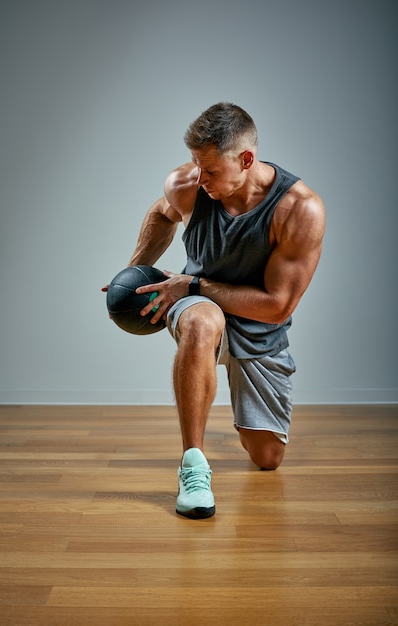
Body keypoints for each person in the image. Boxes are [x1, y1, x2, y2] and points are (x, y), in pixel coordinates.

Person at [104, 102, 325, 520]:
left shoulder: (299, 210)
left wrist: (195, 283)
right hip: (196, 301)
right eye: (195, 165)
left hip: (258, 320)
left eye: (211, 171)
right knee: (203, 322)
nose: (199, 178)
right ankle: (194, 465)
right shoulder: (187, 184)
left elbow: (277, 306)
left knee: (267, 457)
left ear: (245, 159)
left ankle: (243, 420)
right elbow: (161, 213)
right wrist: (134, 271)